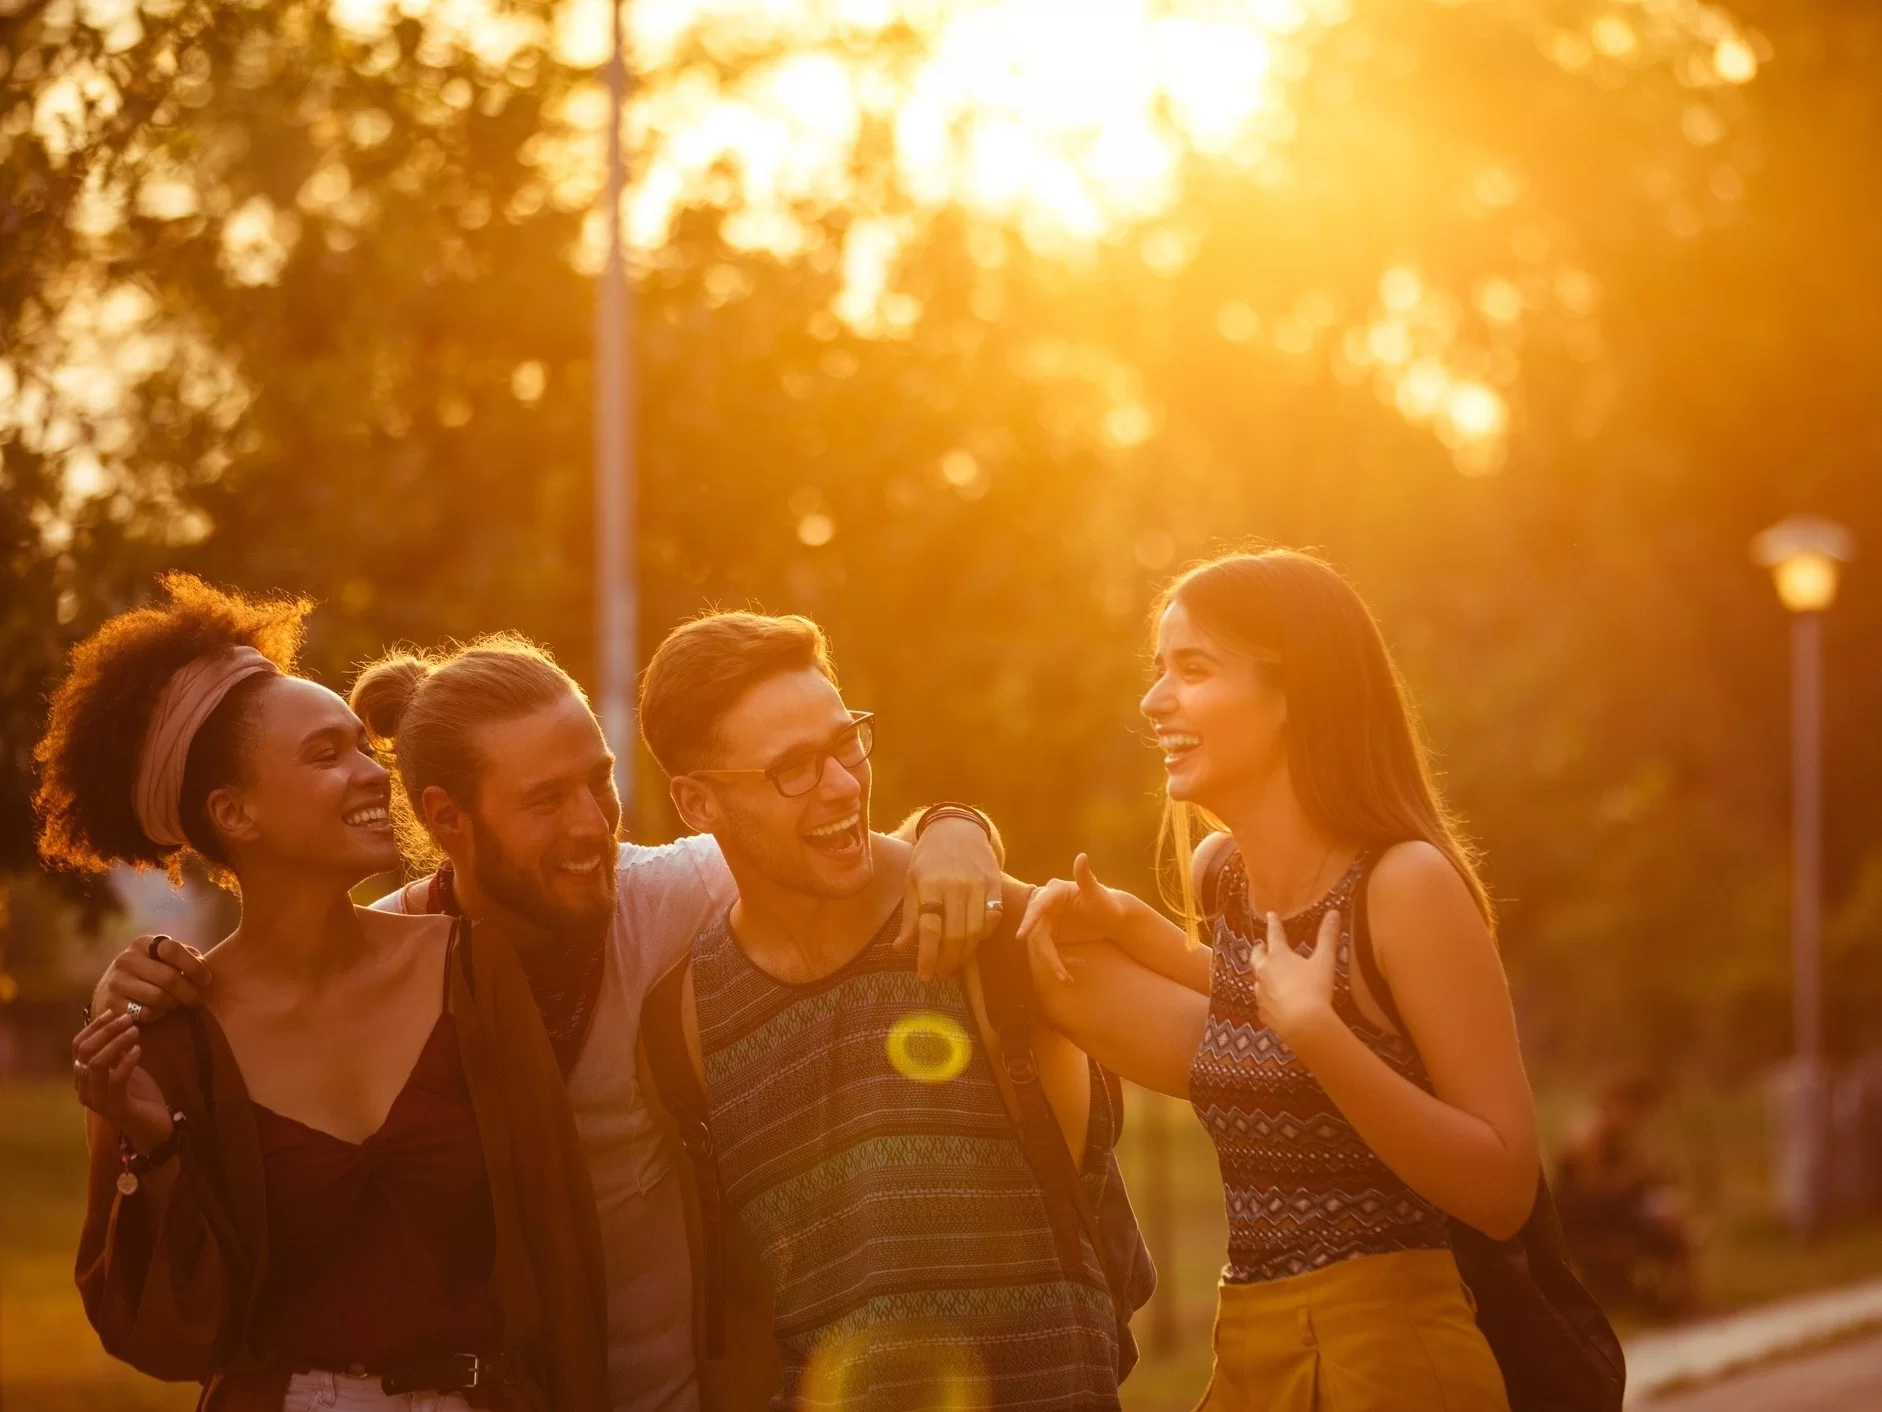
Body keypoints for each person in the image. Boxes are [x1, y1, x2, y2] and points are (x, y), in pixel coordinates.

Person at [92, 631, 1008, 1412]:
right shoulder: (414, 952)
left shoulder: (663, 895)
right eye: (543, 801)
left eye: (598, 782)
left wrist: (957, 831)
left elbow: (835, 849)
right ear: (449, 820)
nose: (591, 826)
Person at [43, 574, 607, 1411]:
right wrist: (150, 1140)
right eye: (323, 756)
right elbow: (167, 1333)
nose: (374, 774)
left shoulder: (472, 969)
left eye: (359, 746)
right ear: (236, 815)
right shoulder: (172, 1033)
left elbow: (565, 1258)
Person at [1017, 549, 1538, 1412]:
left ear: (1294, 691)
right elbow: (1255, 1013)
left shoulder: (1404, 887)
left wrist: (1323, 1038)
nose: (1154, 702)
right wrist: (1136, 930)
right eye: (1158, 671)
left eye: (1193, 669)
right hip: (1249, 1348)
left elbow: (1504, 1188)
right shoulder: (1224, 875)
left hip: (1395, 1359)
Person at [635, 610, 1149, 1411]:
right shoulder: (683, 1023)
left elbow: (1230, 1053)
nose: (842, 783)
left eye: (847, 742)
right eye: (792, 769)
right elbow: (743, 1315)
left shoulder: (984, 925)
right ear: (698, 804)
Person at [1554, 1076, 1698, 1313]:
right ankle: (1678, 1304)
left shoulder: (1621, 1136)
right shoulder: (1588, 1135)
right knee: (1667, 1222)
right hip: (1585, 1218)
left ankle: (1684, 1302)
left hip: (1612, 1213)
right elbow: (1590, 1191)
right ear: (1615, 1104)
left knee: (1675, 1222)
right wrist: (1637, 1170)